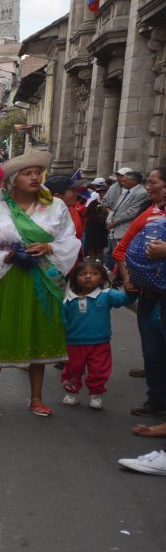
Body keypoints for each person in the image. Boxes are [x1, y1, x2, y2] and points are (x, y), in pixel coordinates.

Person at [0, 151, 81, 417]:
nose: (34, 177)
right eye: (26, 173)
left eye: (36, 173)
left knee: (36, 331)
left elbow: (70, 240)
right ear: (12, 180)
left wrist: (49, 246)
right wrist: (5, 255)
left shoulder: (56, 206)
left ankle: (37, 397)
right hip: (5, 275)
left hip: (41, 278)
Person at [113, 166, 166, 424]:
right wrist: (128, 276)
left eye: (154, 182)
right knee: (153, 346)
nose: (149, 187)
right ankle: (156, 398)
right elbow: (121, 249)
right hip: (151, 293)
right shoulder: (149, 215)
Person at [60, 258, 132, 410]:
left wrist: (132, 290)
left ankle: (96, 394)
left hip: (100, 343)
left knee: (99, 370)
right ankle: (71, 392)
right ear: (75, 278)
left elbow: (124, 299)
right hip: (74, 343)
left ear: (102, 278)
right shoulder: (68, 299)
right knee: (73, 370)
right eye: (83, 274)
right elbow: (61, 321)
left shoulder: (107, 295)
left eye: (93, 273)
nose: (88, 276)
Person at [109, 168, 149, 269]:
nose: (123, 182)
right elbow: (115, 208)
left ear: (134, 181)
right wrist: (109, 220)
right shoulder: (126, 191)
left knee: (122, 258)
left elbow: (132, 212)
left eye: (125, 180)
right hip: (115, 228)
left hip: (125, 229)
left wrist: (114, 221)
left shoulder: (141, 193)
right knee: (116, 255)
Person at [46, 175, 85, 239]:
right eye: (73, 191)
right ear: (57, 196)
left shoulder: (71, 210)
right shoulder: (43, 218)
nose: (77, 194)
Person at [83, 178, 110, 259]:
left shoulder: (109, 204)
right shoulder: (93, 202)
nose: (103, 194)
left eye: (105, 192)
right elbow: (85, 214)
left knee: (100, 249)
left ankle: (99, 264)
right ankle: (92, 262)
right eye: (101, 192)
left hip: (102, 229)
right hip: (91, 227)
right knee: (91, 249)